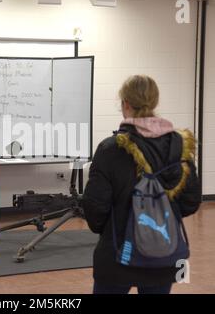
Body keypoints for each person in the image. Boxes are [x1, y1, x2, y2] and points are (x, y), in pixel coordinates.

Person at [82, 75, 201, 294]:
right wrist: (159, 216)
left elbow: (95, 207)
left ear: (125, 104)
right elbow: (191, 200)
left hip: (118, 253)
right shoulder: (179, 146)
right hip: (165, 254)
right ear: (154, 102)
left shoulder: (111, 149)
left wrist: (110, 227)